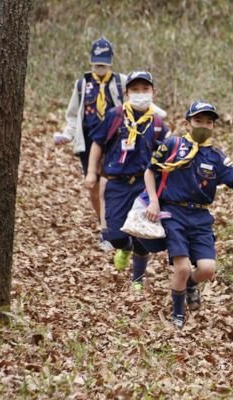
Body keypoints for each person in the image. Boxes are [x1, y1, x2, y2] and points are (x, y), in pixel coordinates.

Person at [143, 101, 233, 330]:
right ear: (186, 123)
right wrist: (153, 200)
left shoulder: (215, 156)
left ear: (213, 126)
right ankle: (177, 313)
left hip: (201, 218)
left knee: (207, 269)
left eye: (208, 122)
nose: (203, 125)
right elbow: (150, 171)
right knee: (181, 268)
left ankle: (191, 285)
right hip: (174, 213)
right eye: (198, 121)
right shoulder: (172, 145)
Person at [56, 38, 166, 251]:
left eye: (104, 63)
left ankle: (114, 229)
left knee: (110, 183)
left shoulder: (120, 81)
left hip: (120, 138)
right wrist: (67, 135)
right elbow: (73, 115)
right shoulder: (82, 85)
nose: (100, 68)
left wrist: (159, 117)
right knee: (94, 186)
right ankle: (104, 225)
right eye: (97, 63)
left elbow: (146, 99)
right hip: (91, 140)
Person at [85, 70, 169, 291]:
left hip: (144, 183)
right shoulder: (116, 116)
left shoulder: (158, 123)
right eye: (135, 89)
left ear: (153, 92)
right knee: (115, 234)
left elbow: (167, 154)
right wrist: (91, 172)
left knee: (142, 232)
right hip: (117, 183)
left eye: (145, 89)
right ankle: (124, 247)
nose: (140, 93)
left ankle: (137, 278)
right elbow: (97, 143)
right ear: (126, 93)